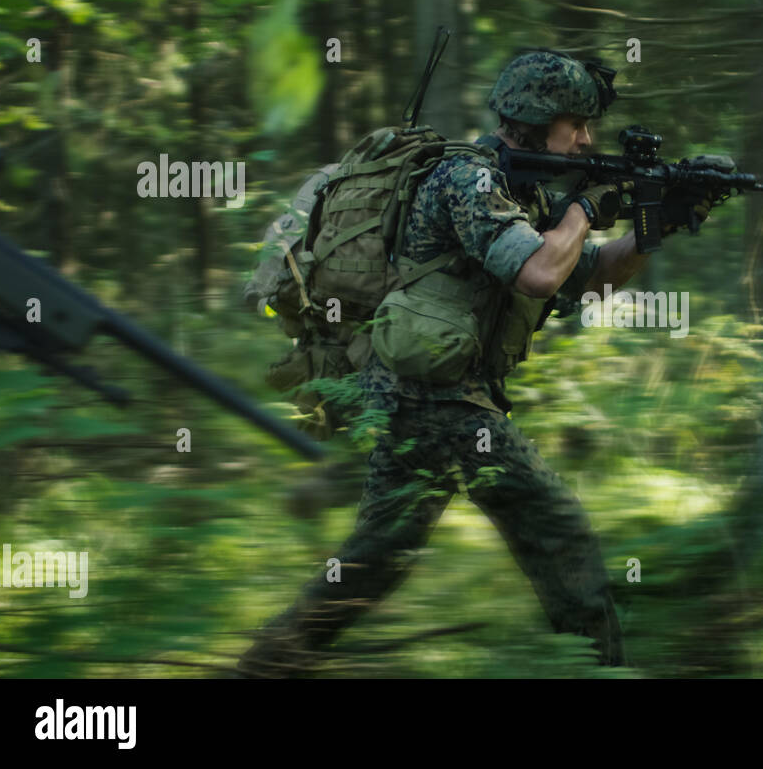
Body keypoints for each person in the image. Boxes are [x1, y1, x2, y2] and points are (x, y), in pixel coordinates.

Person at [238, 50, 721, 676]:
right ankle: (598, 669)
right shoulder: (467, 179)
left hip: (427, 395)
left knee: (379, 556)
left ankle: (266, 663)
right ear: (534, 118)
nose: (586, 138)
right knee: (558, 529)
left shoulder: (524, 195)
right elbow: (542, 272)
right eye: (576, 124)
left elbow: (590, 279)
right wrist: (586, 209)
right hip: (436, 399)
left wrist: (658, 225)